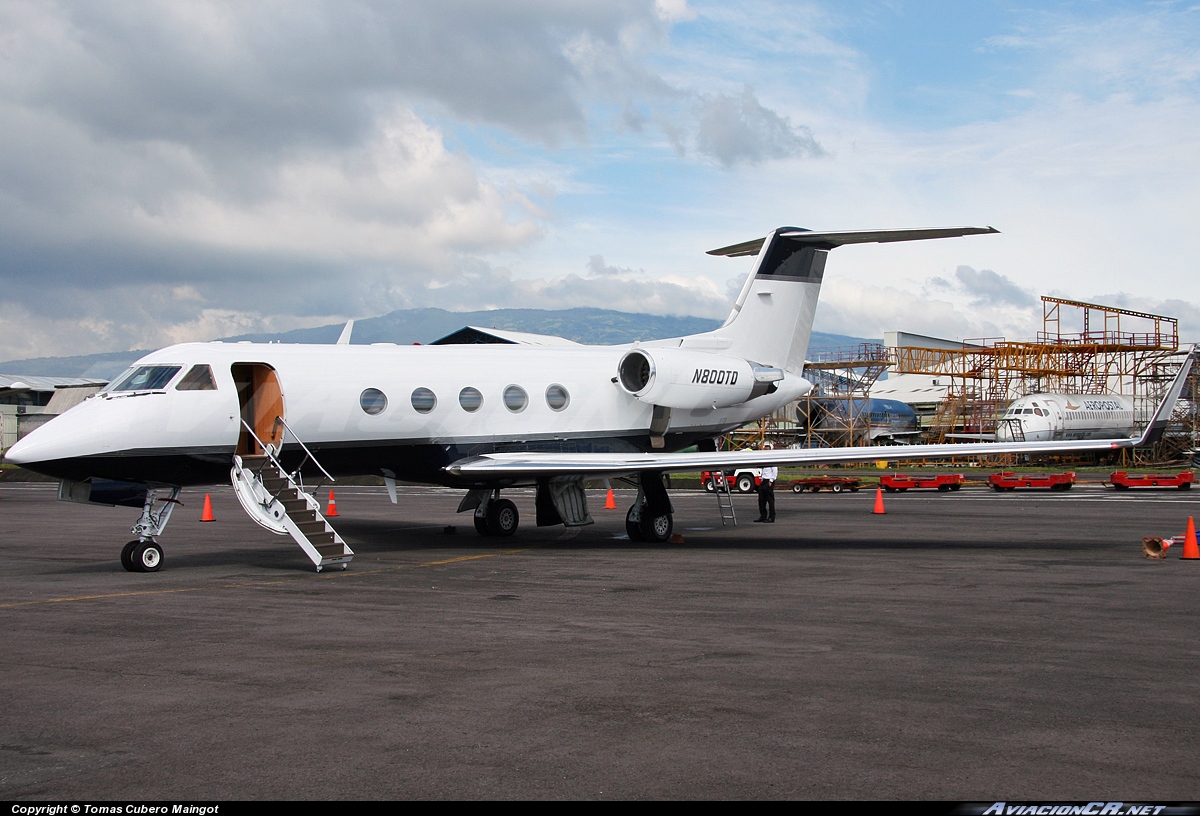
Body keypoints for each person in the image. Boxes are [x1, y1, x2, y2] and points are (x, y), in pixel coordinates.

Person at [756, 452, 777, 523]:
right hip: (764, 480)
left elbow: (775, 471)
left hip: (769, 481)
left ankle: (771, 517)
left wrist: (771, 481)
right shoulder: (764, 461)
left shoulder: (772, 461)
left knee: (770, 500)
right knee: (761, 500)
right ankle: (763, 516)